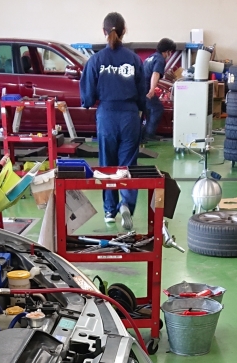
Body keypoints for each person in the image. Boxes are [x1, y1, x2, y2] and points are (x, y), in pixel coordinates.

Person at [80, 12, 146, 229]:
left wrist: (89, 101)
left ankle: (109, 210)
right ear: (124, 30)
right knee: (127, 165)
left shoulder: (96, 60)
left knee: (107, 165)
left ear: (104, 31)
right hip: (129, 116)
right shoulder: (134, 59)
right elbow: (142, 92)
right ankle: (126, 203)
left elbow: (87, 97)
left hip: (107, 116)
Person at [142, 38, 176, 141]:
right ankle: (149, 134)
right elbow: (155, 74)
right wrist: (152, 90)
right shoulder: (160, 59)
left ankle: (145, 132)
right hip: (145, 89)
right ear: (167, 51)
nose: (170, 54)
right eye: (170, 52)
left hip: (140, 88)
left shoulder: (151, 57)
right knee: (157, 108)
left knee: (149, 109)